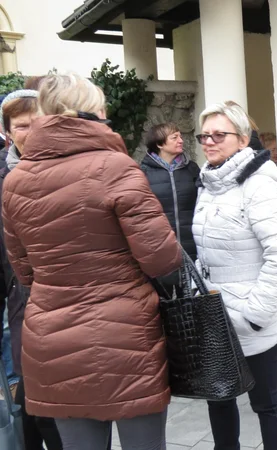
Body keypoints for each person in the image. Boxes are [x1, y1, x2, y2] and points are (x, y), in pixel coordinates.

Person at [2, 73, 183, 450]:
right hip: (126, 334)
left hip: (51, 335)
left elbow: (24, 271)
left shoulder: (15, 182)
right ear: (92, 112)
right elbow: (163, 258)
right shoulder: (115, 167)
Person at [192, 102, 277, 450]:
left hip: (252, 317)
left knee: (266, 404)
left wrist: (254, 314)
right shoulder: (208, 182)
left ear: (243, 139)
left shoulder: (259, 183)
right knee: (219, 401)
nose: (209, 141)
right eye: (204, 135)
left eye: (219, 134)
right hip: (213, 312)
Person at [0, 89, 65, 450]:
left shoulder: (67, 169)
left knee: (68, 405)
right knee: (33, 400)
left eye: (37, 123)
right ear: (8, 131)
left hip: (69, 300)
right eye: (22, 125)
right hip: (22, 302)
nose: (31, 131)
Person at [141, 123, 201, 296]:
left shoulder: (192, 169)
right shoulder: (143, 173)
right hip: (160, 252)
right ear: (159, 144)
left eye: (180, 136)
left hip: (191, 251)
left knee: (192, 308)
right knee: (163, 308)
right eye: (174, 137)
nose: (181, 140)